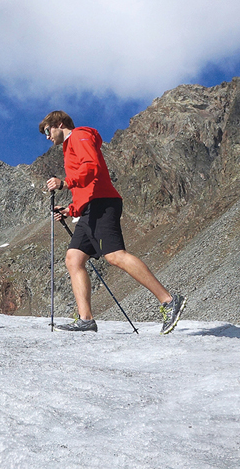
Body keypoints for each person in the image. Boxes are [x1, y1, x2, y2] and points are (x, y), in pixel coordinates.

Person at [39, 110, 185, 334]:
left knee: (115, 255)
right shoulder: (69, 146)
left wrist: (65, 183)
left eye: (48, 131)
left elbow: (92, 167)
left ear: (59, 124)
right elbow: (85, 188)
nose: (47, 136)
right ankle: (85, 320)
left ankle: (168, 300)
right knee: (73, 259)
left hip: (102, 204)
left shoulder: (78, 136)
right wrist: (70, 210)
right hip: (89, 209)